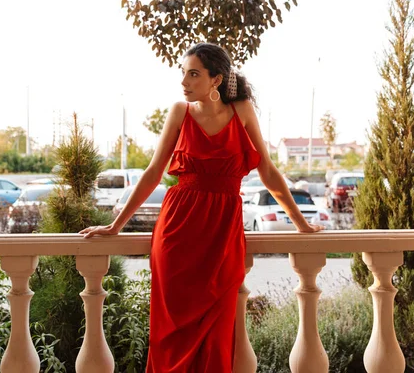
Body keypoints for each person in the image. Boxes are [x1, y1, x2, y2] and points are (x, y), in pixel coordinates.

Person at [80, 43, 324, 372]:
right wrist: (115, 225)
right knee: (170, 339)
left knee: (217, 339)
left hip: (222, 235)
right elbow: (153, 173)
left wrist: (301, 223)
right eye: (183, 73)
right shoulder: (179, 112)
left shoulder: (242, 111)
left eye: (193, 74)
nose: (184, 81)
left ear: (216, 80)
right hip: (178, 234)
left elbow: (268, 171)